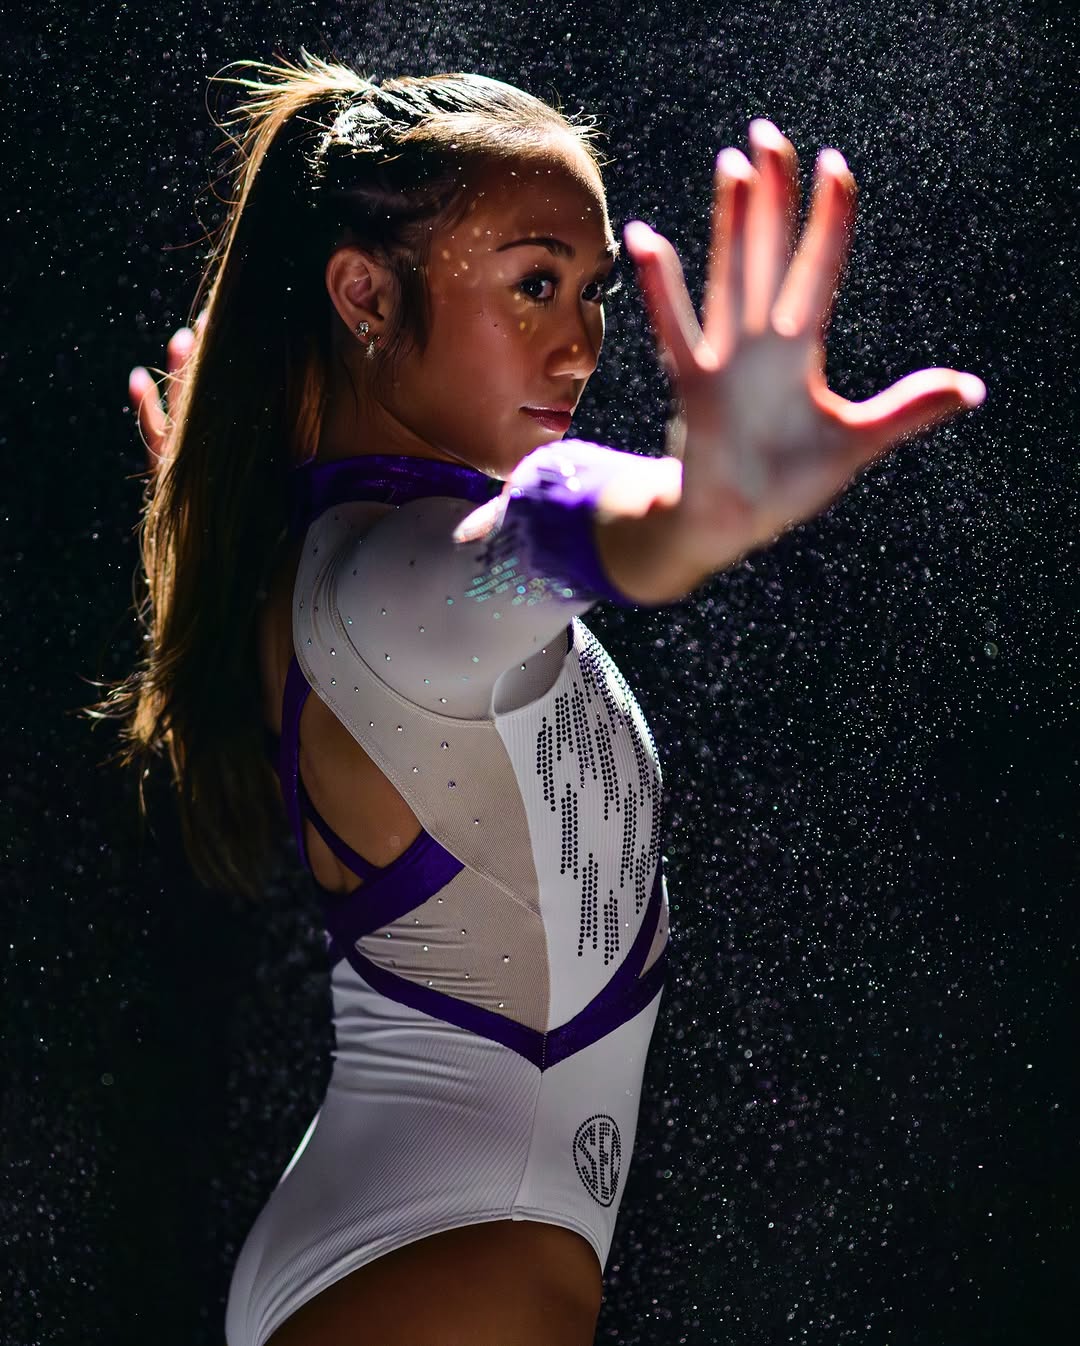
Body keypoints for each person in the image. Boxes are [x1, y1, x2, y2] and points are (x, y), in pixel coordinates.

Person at [116, 51, 984, 1346]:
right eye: (533, 283)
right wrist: (697, 507)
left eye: (591, 292)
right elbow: (543, 531)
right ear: (364, 294)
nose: (578, 345)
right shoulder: (389, 583)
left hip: (422, 1247)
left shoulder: (346, 553)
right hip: (443, 1261)